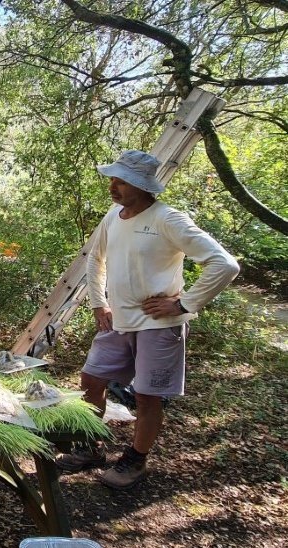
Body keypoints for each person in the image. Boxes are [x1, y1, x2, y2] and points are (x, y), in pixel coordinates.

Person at [55, 150, 239, 490]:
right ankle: (90, 447)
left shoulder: (168, 219)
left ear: (142, 186)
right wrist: (99, 303)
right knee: (90, 381)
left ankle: (135, 461)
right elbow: (95, 258)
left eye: (121, 181)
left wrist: (184, 303)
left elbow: (224, 264)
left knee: (146, 396)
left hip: (158, 326)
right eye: (112, 179)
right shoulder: (113, 215)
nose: (113, 186)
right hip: (117, 320)